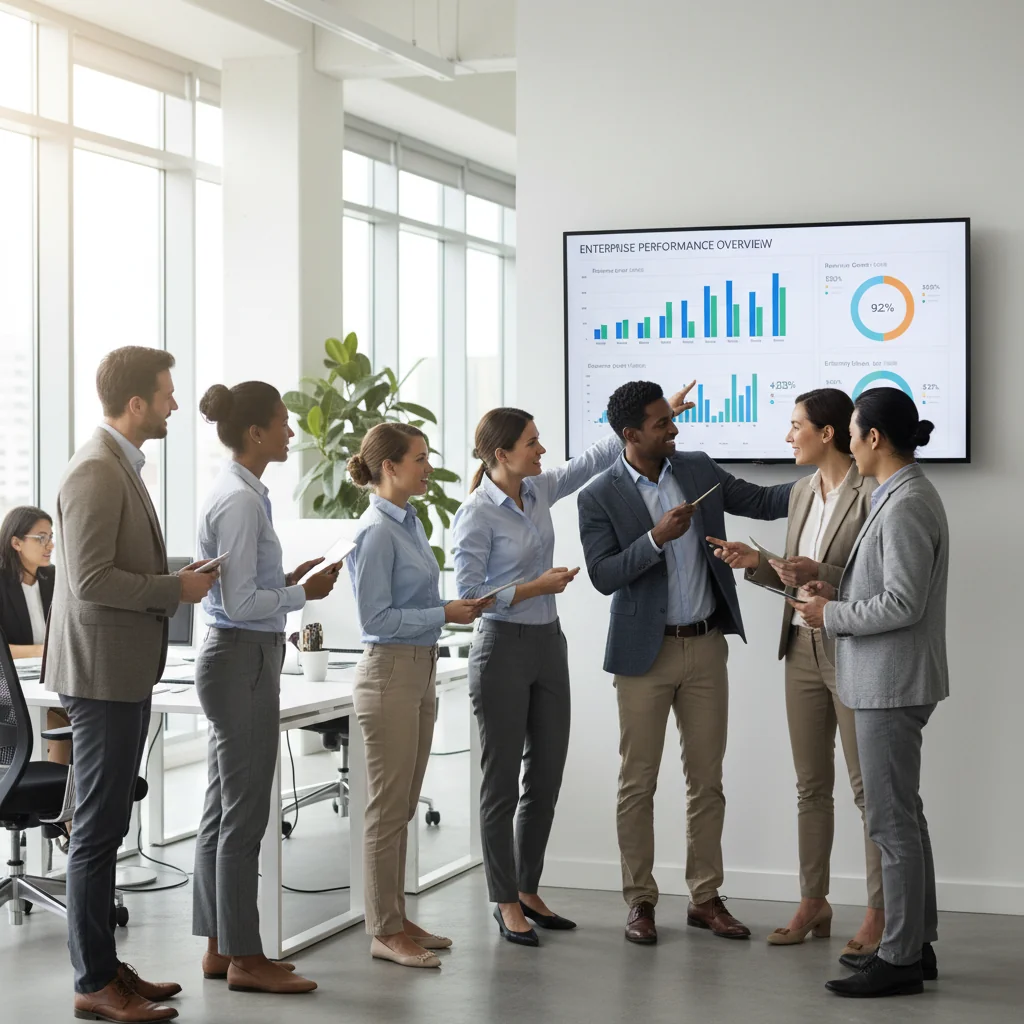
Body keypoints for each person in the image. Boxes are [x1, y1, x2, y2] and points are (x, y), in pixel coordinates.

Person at [451, 385, 696, 946]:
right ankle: (504, 899)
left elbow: (593, 459)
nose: (542, 451)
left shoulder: (537, 489)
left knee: (545, 775)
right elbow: (467, 596)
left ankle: (528, 887)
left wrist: (657, 420)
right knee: (501, 785)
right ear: (500, 455)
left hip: (547, 643)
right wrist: (536, 585)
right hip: (501, 648)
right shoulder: (475, 514)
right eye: (532, 443)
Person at [577, 380, 792, 945]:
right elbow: (602, 577)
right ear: (631, 434)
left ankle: (705, 898)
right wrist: (654, 538)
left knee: (707, 781)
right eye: (661, 423)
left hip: (704, 646)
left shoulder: (697, 469)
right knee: (637, 783)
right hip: (641, 657)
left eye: (670, 419)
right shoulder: (598, 496)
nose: (673, 428)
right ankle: (640, 901)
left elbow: (767, 502)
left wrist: (835, 473)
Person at [45, 346, 217, 1023]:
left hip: (118, 669)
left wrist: (178, 582)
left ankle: (107, 967)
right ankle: (93, 981)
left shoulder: (118, 465)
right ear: (137, 402)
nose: (176, 404)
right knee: (96, 828)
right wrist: (176, 588)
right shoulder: (95, 471)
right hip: (102, 673)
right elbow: (88, 582)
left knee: (108, 822)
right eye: (168, 394)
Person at [707, 389, 884, 956]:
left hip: (851, 648)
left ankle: (880, 914)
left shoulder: (874, 492)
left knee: (869, 792)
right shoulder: (804, 492)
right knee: (811, 786)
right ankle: (815, 901)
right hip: (800, 649)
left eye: (796, 426)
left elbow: (877, 581)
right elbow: (794, 579)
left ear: (828, 433)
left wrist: (819, 570)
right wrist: (759, 565)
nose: (788, 437)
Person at [792, 389, 947, 998]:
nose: (848, 445)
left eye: (852, 433)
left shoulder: (905, 502)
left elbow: (903, 603)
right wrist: (823, 577)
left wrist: (828, 615)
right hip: (889, 678)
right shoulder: (897, 495)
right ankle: (916, 944)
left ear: (873, 438)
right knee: (904, 815)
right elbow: (880, 579)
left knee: (891, 822)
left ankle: (902, 956)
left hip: (889, 682)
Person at [192, 382, 342, 995]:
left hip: (241, 657)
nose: (290, 431)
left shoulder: (245, 495)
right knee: (245, 814)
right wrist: (304, 594)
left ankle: (219, 948)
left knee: (221, 809)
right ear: (255, 432)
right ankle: (247, 959)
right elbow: (241, 603)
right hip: (241, 660)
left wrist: (289, 577)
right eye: (282, 423)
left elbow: (248, 585)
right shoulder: (240, 501)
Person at [347, 423, 492, 968]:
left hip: (419, 670)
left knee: (404, 805)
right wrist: (444, 614)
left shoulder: (406, 522)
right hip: (389, 673)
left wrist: (445, 614)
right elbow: (375, 619)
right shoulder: (376, 532)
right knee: (387, 808)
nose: (428, 466)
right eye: (420, 457)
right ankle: (383, 930)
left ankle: (396, 915)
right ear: (389, 466)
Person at [0, 507, 72, 771]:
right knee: (64, 726)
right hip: (8, 688)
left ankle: (73, 804)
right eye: (41, 538)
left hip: (47, 680)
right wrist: (44, 651)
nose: (50, 545)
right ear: (16, 542)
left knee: (88, 720)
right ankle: (58, 807)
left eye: (51, 537)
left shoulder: (53, 578)